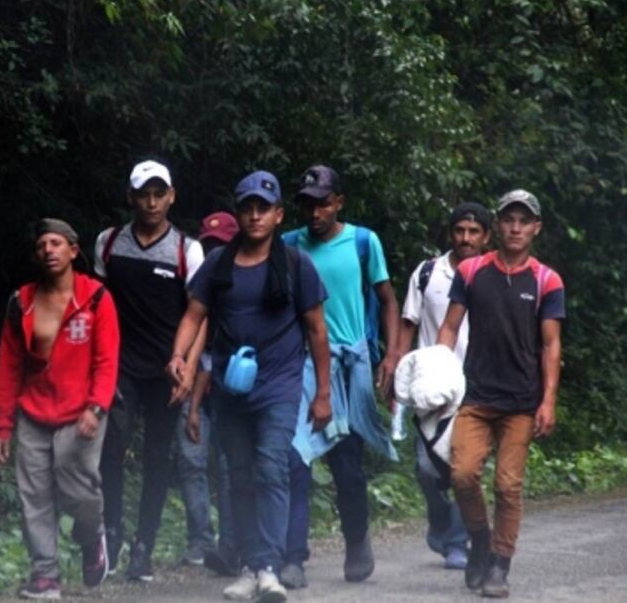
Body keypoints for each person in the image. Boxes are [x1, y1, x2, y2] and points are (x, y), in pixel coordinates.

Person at [168, 171, 332, 603]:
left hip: (278, 384)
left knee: (270, 467)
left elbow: (317, 332)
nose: (255, 215)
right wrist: (179, 357)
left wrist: (323, 394)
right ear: (239, 213)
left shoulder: (297, 265)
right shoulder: (218, 265)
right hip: (228, 385)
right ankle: (247, 564)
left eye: (263, 208)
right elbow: (193, 315)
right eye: (247, 207)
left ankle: (269, 568)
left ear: (278, 215)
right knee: (237, 475)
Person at [437, 189, 564, 598]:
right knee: (462, 473)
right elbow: (450, 327)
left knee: (508, 485)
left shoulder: (546, 280)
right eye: (509, 219)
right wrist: (438, 374)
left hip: (522, 401)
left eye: (523, 221)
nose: (515, 227)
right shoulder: (473, 271)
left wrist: (548, 400)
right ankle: (478, 540)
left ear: (535, 228)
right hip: (474, 395)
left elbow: (551, 344)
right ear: (499, 224)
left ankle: (499, 565)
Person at [0, 218, 120, 599]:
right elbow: (9, 365)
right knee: (35, 493)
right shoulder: (22, 301)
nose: (49, 250)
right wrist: (1, 424)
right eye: (42, 244)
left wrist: (96, 407)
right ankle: (44, 574)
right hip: (33, 411)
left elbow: (107, 360)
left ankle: (91, 536)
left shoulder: (96, 297)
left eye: (56, 243)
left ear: (73, 251)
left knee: (78, 490)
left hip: (82, 409)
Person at [282, 164, 400, 586]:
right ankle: (293, 556)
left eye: (323, 204)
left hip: (351, 363)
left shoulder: (363, 242)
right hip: (302, 364)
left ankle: (356, 538)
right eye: (307, 205)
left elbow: (387, 299)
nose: (314, 213)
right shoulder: (288, 245)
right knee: (294, 457)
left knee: (345, 464)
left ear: (339, 203)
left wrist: (391, 355)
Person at [94, 160, 206, 581]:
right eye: (144, 193)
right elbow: (98, 304)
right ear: (131, 197)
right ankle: (112, 533)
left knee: (158, 457)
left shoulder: (187, 250)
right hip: (119, 366)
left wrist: (189, 368)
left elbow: (200, 313)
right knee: (111, 449)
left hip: (166, 368)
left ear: (172, 196)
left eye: (160, 193)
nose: (152, 202)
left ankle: (144, 545)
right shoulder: (108, 244)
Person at [395, 202, 492, 571]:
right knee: (426, 467)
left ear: (486, 236)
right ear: (450, 233)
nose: (466, 238)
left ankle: (456, 541)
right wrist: (397, 376)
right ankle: (440, 522)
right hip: (432, 386)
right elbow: (409, 324)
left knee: (462, 469)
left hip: (477, 387)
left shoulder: (495, 275)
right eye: (459, 231)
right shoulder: (427, 273)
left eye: (474, 232)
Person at [178, 211, 238, 571]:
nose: (215, 252)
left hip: (232, 391)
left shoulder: (248, 286)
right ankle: (200, 540)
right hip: (194, 386)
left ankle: (231, 543)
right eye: (209, 245)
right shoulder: (194, 289)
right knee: (191, 462)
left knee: (232, 467)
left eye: (222, 245)